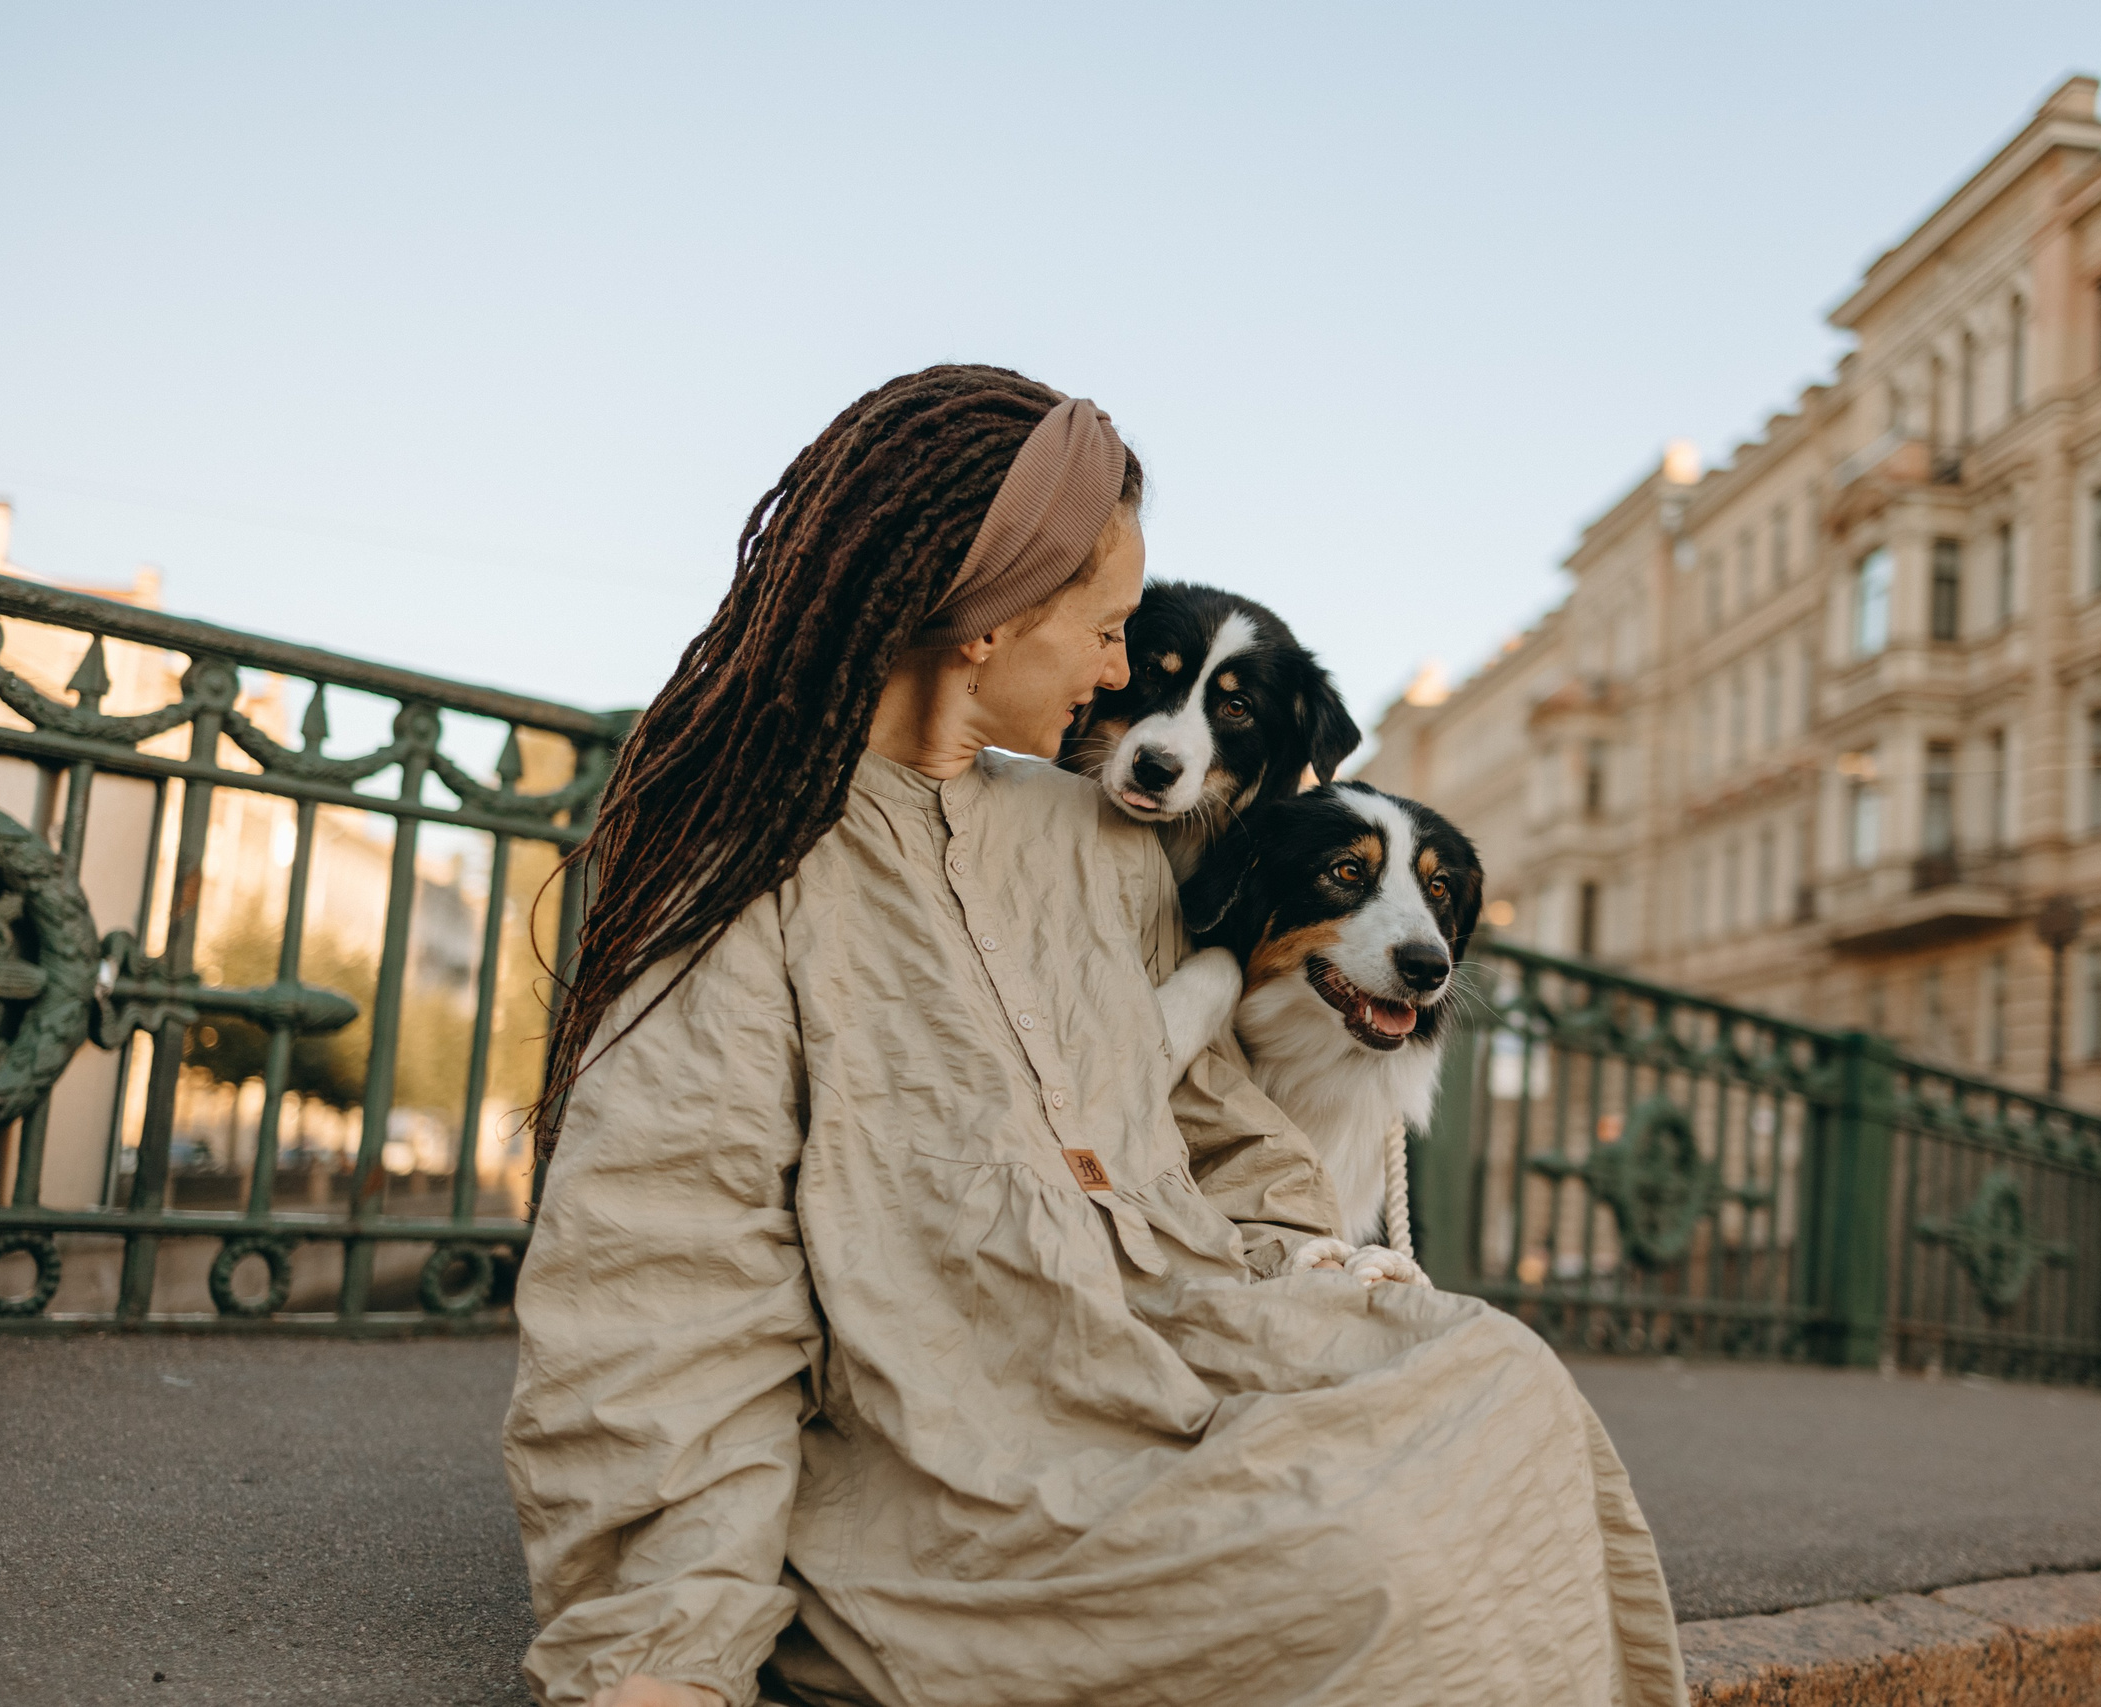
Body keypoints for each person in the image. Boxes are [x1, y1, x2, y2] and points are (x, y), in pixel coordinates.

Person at [502, 364, 1685, 1707]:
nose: (1125, 671)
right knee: (1377, 1553)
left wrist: (1308, 1269)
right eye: (1110, 626)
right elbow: (667, 1287)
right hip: (952, 1468)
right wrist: (665, 1653)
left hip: (1182, 1354)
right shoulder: (750, 869)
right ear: (990, 621)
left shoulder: (1105, 848)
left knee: (1502, 1380)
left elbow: (1222, 1137)